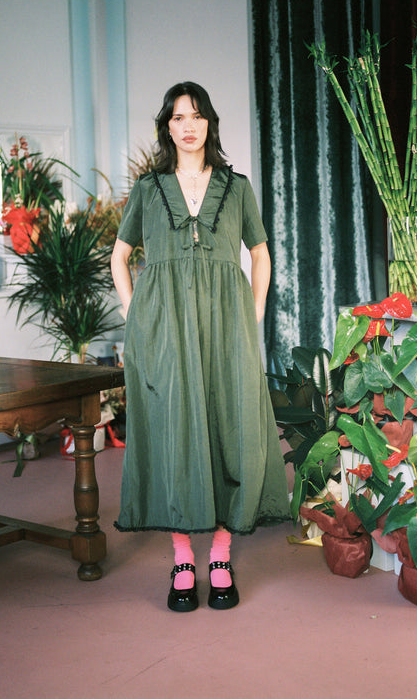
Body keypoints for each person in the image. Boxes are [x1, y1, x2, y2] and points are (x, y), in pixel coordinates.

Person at [111, 81, 290, 612]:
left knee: (228, 428)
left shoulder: (236, 188)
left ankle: (220, 553)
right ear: (167, 127)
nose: (187, 125)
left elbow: (260, 253)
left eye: (196, 115)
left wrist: (252, 312)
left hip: (227, 326)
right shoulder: (148, 189)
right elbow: (119, 257)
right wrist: (135, 317)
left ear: (209, 123)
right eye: (176, 117)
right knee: (173, 431)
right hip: (164, 331)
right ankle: (182, 558)